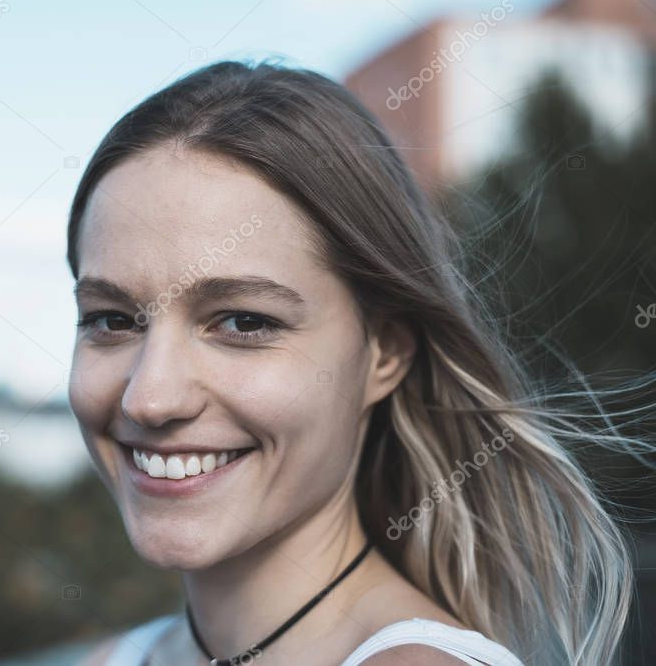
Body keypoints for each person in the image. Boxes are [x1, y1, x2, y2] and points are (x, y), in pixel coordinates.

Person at [65, 59, 636, 665]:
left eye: (244, 322)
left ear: (385, 352)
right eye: (112, 319)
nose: (149, 398)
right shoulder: (121, 658)